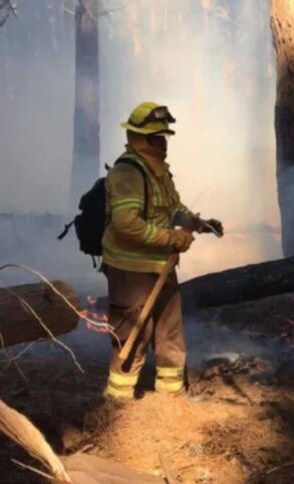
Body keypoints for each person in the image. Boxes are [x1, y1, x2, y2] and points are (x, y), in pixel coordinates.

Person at [101, 102, 222, 400]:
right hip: (131, 271)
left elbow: (172, 208)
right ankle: (118, 401)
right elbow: (126, 225)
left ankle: (171, 395)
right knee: (133, 335)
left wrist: (198, 223)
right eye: (156, 138)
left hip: (162, 266)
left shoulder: (159, 172)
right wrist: (171, 238)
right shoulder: (127, 173)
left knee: (170, 332)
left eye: (164, 137)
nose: (163, 143)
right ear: (139, 138)